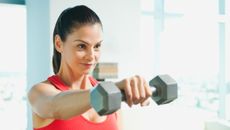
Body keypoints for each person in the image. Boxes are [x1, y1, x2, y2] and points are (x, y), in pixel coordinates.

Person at [27, 5, 152, 130]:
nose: (91, 56)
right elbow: (56, 106)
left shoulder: (110, 97)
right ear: (59, 44)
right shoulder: (39, 92)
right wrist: (109, 91)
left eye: (97, 46)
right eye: (82, 46)